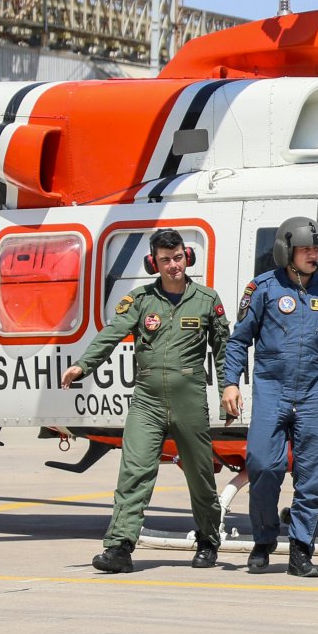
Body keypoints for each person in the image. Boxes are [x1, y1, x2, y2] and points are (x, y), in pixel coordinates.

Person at [61, 228, 231, 573]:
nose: (174, 266)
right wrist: (83, 365)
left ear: (188, 258)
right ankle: (119, 548)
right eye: (166, 260)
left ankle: (208, 539)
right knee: (134, 472)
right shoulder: (140, 301)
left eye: (179, 258)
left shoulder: (206, 300)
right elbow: (110, 334)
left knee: (200, 475)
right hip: (147, 402)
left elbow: (225, 349)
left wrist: (230, 386)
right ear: (154, 263)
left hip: (190, 400)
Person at [221, 216, 318, 578]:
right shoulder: (262, 289)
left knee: (313, 475)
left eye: (316, 249)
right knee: (263, 465)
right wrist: (230, 383)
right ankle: (263, 541)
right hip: (272, 388)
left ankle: (301, 549)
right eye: (306, 249)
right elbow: (238, 340)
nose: (313, 255)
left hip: (312, 391)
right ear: (286, 251)